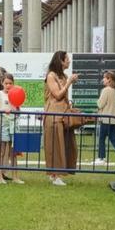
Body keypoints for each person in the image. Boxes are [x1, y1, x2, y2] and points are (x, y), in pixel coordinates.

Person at [43, 50, 78, 186]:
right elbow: (57, 95)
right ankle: (55, 175)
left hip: (63, 115)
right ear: (61, 61)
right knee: (54, 145)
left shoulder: (63, 75)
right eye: (67, 59)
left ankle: (58, 173)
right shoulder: (51, 76)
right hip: (53, 115)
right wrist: (69, 82)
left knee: (65, 144)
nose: (69, 61)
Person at [0, 73, 23, 184]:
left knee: (14, 152)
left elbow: (18, 110)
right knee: (1, 151)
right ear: (2, 83)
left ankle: (15, 177)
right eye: (6, 83)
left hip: (13, 125)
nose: (8, 85)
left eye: (10, 83)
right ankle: (0, 177)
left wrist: (16, 111)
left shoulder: (16, 94)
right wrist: (3, 111)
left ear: (13, 84)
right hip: (2, 125)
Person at [95, 70, 115, 166]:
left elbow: (100, 104)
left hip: (106, 119)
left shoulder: (105, 90)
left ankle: (101, 158)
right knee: (114, 139)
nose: (103, 79)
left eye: (104, 78)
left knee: (102, 138)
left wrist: (98, 101)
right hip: (114, 119)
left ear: (109, 80)